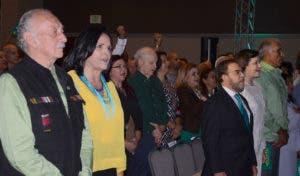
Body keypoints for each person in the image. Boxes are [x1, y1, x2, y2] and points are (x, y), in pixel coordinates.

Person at [0, 9, 93, 175]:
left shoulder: (67, 79)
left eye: (62, 31)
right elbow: (20, 154)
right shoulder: (11, 83)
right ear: (31, 39)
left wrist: (85, 171)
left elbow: (85, 134)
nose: (64, 38)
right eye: (54, 31)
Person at [64, 25, 126, 176]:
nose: (107, 53)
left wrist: (120, 169)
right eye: (100, 46)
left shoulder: (110, 87)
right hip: (84, 168)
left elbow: (117, 133)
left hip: (112, 167)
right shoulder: (70, 82)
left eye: (109, 48)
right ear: (85, 48)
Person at [201, 59, 257, 176]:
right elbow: (210, 140)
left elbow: (247, 136)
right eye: (237, 72)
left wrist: (252, 162)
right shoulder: (214, 103)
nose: (242, 75)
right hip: (225, 169)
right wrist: (217, 170)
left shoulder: (242, 100)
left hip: (244, 167)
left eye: (241, 72)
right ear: (224, 77)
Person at [127, 46, 169, 176]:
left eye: (156, 63)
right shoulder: (132, 83)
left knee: (154, 170)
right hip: (143, 133)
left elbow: (163, 105)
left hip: (158, 134)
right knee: (140, 169)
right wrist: (153, 130)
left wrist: (161, 126)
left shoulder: (156, 81)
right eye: (151, 63)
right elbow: (137, 111)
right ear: (140, 63)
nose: (155, 66)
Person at [255, 38, 289, 176]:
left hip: (275, 137)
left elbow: (281, 106)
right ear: (266, 54)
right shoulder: (260, 75)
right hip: (266, 139)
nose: (283, 54)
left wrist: (284, 129)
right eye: (278, 51)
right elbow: (261, 109)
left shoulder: (275, 74)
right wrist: (279, 129)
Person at [105, 54, 143, 174]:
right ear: (109, 71)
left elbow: (138, 115)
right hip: (114, 142)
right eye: (118, 67)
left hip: (130, 139)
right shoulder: (106, 91)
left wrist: (136, 139)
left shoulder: (129, 89)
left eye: (124, 66)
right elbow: (107, 124)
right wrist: (124, 142)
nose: (123, 69)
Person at [235, 49, 265, 176]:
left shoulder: (258, 87)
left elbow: (261, 120)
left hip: (257, 146)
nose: (260, 66)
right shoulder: (240, 89)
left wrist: (262, 148)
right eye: (255, 63)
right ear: (244, 66)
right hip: (245, 150)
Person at [156, 51, 182, 148]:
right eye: (163, 61)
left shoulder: (170, 84)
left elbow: (177, 109)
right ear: (156, 64)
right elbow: (157, 111)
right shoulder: (154, 86)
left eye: (167, 60)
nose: (168, 63)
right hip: (161, 131)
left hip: (172, 133)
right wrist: (174, 126)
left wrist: (178, 125)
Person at [175, 63, 205, 142]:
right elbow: (190, 111)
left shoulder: (197, 91)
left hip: (199, 130)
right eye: (193, 74)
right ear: (185, 77)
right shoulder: (182, 90)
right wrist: (202, 101)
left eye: (197, 74)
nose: (197, 77)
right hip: (190, 131)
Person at [279, 73, 300, 176]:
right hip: (285, 147)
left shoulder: (290, 102)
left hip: (293, 145)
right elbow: (286, 125)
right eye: (288, 83)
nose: (291, 86)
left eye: (291, 82)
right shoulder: (280, 104)